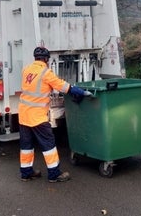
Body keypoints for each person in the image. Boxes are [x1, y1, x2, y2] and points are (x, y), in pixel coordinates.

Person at [18, 46, 86, 182]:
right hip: (37, 117)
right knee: (48, 145)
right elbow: (61, 86)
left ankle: (26, 173)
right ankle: (54, 174)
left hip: (23, 115)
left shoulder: (26, 69)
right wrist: (78, 91)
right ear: (46, 59)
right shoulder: (46, 72)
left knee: (26, 146)